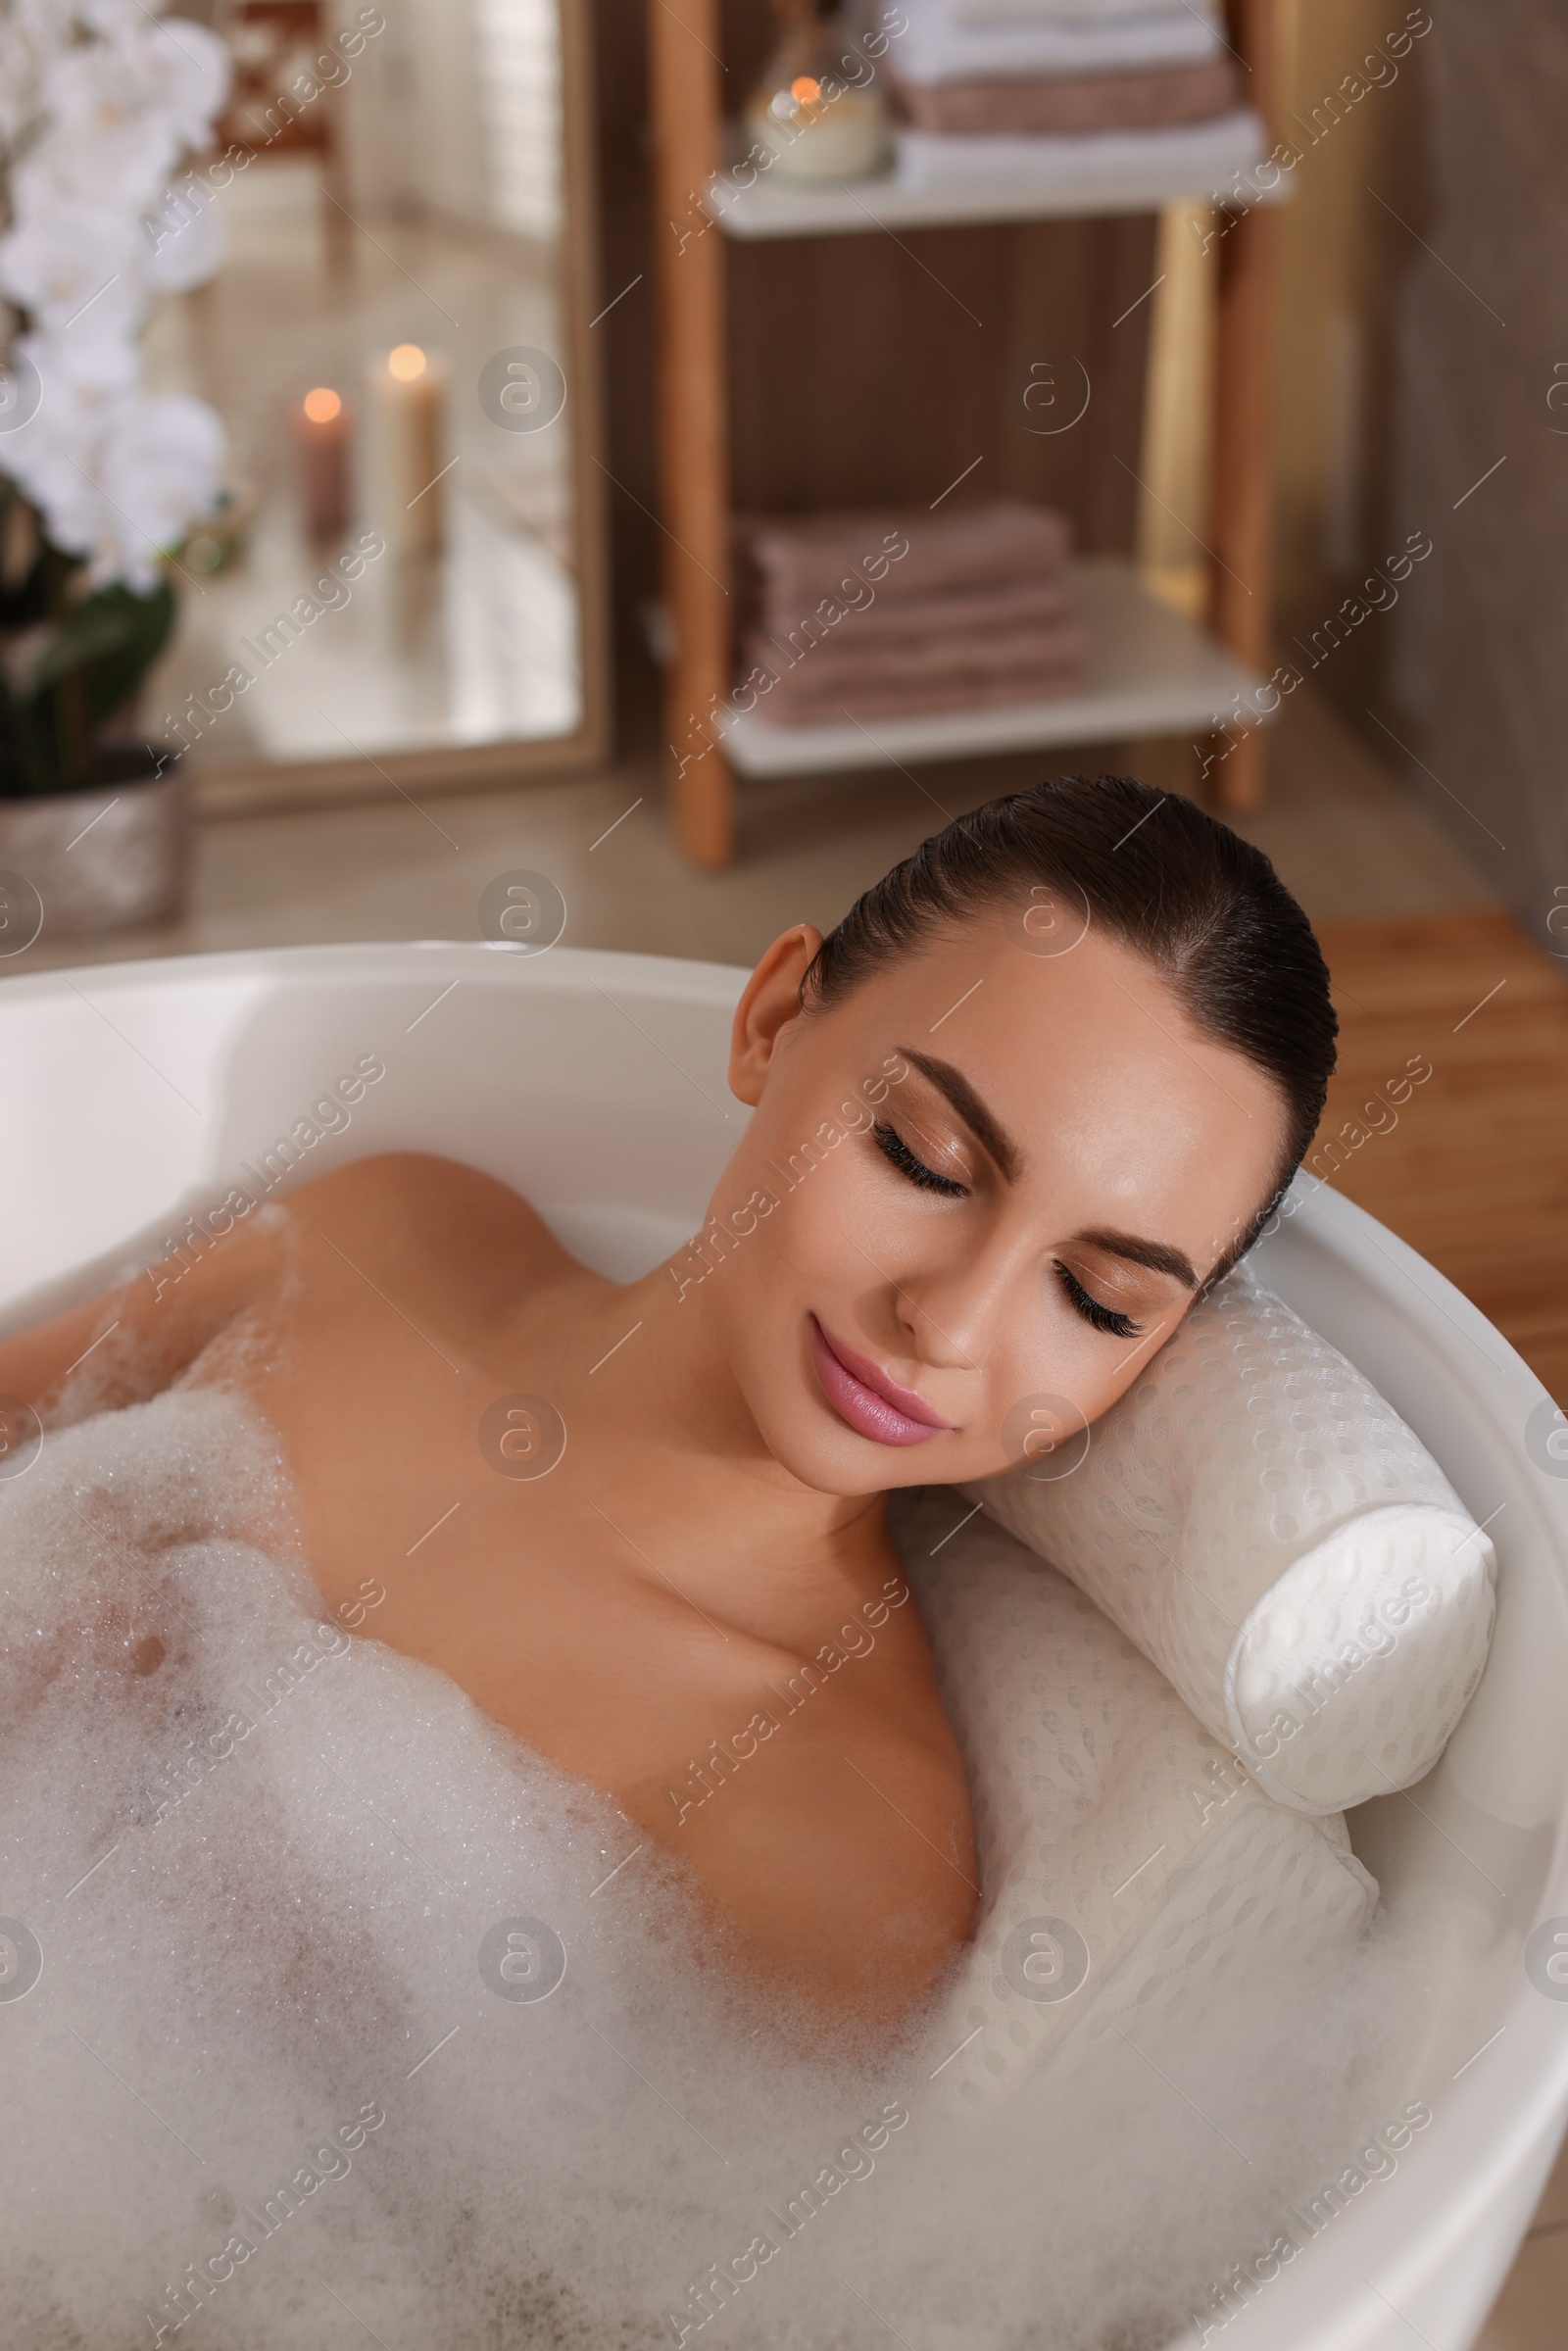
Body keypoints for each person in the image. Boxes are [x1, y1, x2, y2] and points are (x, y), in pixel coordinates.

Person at [1, 776, 1336, 2030]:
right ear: (770, 1020)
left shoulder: (827, 1836)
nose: (952, 1323)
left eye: (1098, 1300)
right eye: (920, 1157)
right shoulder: (393, 1237)